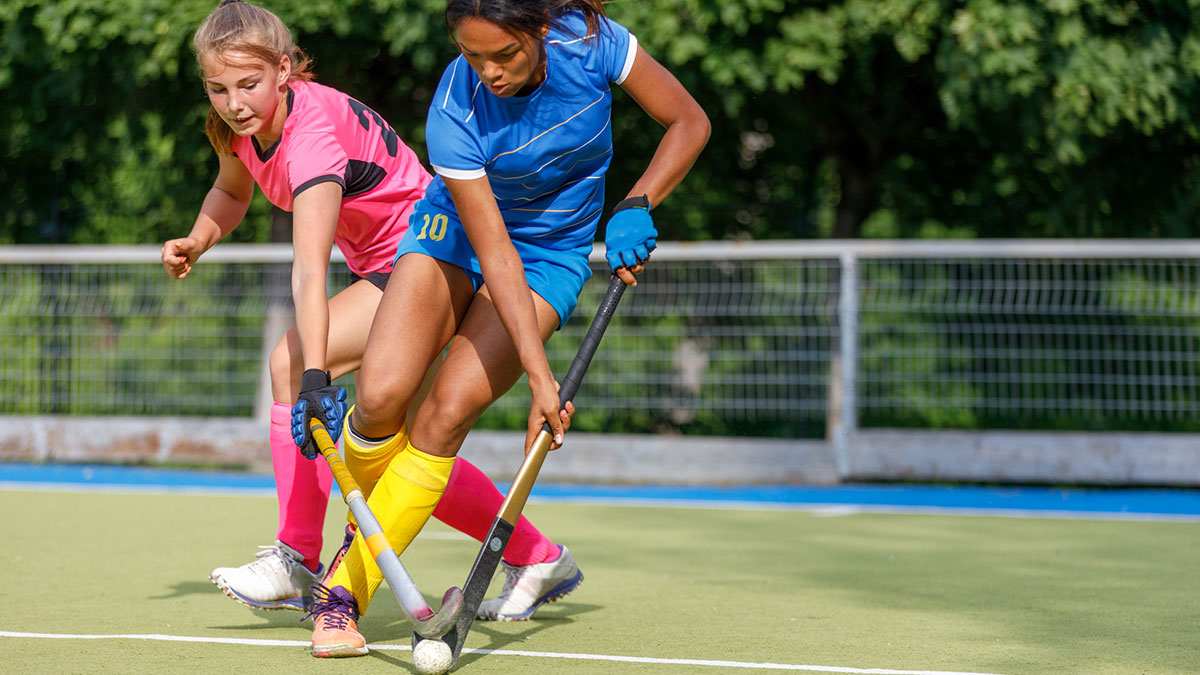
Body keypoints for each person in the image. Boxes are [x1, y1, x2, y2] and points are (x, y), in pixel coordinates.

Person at [304, 0, 709, 658]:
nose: (489, 72)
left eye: (505, 56)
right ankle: (374, 526)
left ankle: (343, 590)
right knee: (378, 398)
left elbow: (689, 121)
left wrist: (639, 201)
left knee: (444, 413)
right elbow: (493, 252)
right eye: (473, 56)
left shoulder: (593, 43)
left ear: (539, 31)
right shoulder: (455, 109)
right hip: (460, 230)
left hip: (551, 253)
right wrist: (541, 378)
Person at [165, 0, 579, 617]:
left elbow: (309, 270)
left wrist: (312, 376)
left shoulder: (310, 138)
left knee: (291, 359)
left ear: (284, 70)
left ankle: (297, 557)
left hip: (431, 253)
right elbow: (231, 188)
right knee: (406, 454)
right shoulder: (238, 124)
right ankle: (539, 556)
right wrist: (200, 237)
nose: (233, 103)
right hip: (388, 263)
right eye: (218, 88)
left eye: (248, 85)